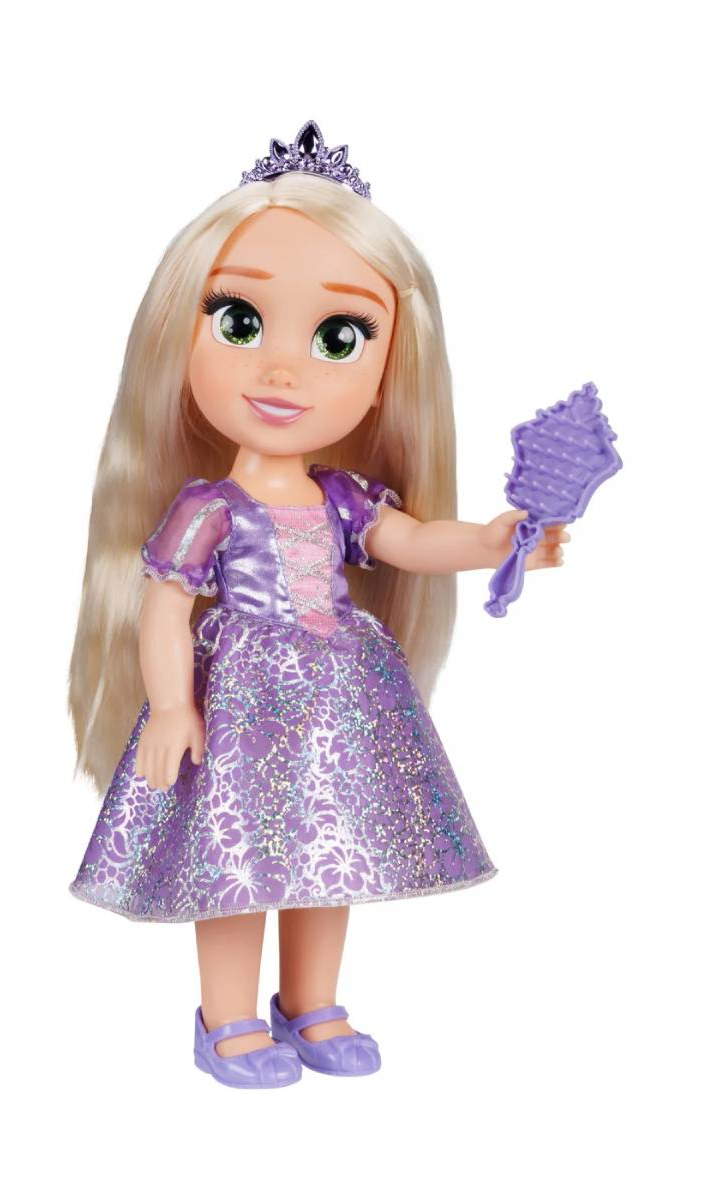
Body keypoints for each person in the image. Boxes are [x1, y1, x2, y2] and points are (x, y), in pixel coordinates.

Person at [68, 120, 567, 1088]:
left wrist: (495, 540)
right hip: (240, 705)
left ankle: (312, 1001)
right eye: (239, 323)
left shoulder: (341, 497)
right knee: (233, 862)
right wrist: (170, 706)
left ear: (386, 375)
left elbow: (410, 542)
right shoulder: (209, 507)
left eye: (339, 338)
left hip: (337, 702)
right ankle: (226, 1018)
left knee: (328, 851)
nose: (282, 371)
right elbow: (163, 606)